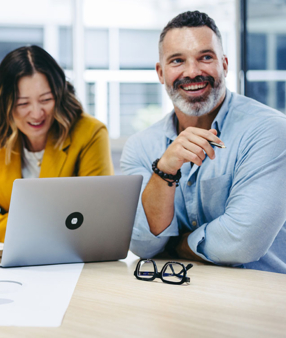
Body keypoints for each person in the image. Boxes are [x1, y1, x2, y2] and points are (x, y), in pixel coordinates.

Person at [122, 11, 286, 274]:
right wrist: (164, 169)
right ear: (160, 73)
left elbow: (241, 243)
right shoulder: (141, 146)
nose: (193, 71)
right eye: (177, 60)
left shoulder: (269, 131)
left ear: (225, 64)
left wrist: (176, 245)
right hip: (179, 295)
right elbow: (143, 244)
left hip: (264, 299)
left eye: (205, 57)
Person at [0, 45, 114, 242]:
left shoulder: (90, 134)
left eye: (46, 100)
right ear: (5, 104)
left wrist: (14, 225)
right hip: (15, 253)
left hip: (71, 256)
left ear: (59, 95)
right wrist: (38, 227)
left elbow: (97, 216)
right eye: (23, 103)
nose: (36, 113)